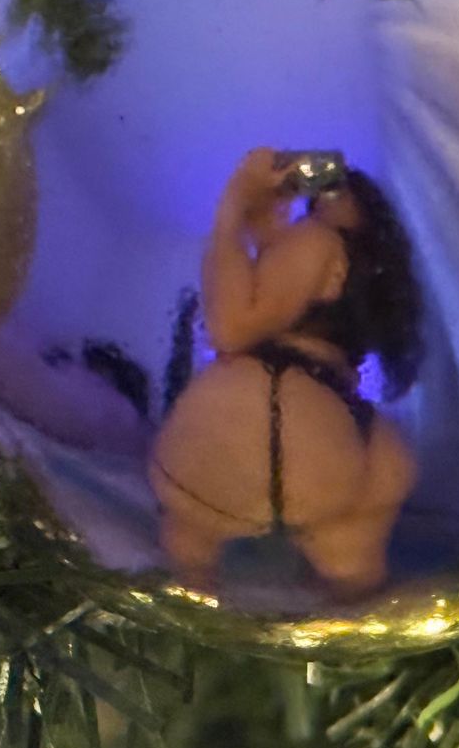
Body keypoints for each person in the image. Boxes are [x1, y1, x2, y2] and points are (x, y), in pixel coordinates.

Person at [150, 147, 422, 598]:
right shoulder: (362, 273)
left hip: (256, 416)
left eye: (328, 186)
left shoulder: (319, 238)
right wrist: (266, 232)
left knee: (189, 562)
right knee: (352, 588)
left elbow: (231, 328)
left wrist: (233, 205)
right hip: (346, 441)